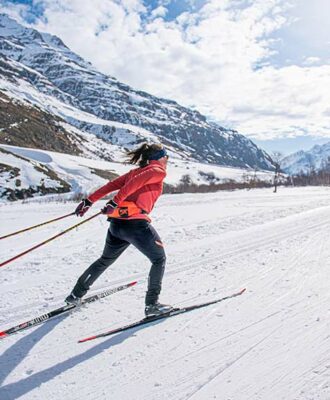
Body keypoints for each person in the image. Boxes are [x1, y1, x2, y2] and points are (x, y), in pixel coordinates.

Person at [65, 143, 172, 317]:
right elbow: (134, 184)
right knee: (159, 259)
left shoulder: (135, 172)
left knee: (104, 260)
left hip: (117, 225)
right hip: (136, 226)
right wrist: (114, 202)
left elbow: (111, 185)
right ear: (160, 157)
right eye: (166, 157)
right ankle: (152, 305)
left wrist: (89, 201)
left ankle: (75, 295)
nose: (167, 161)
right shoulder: (157, 170)